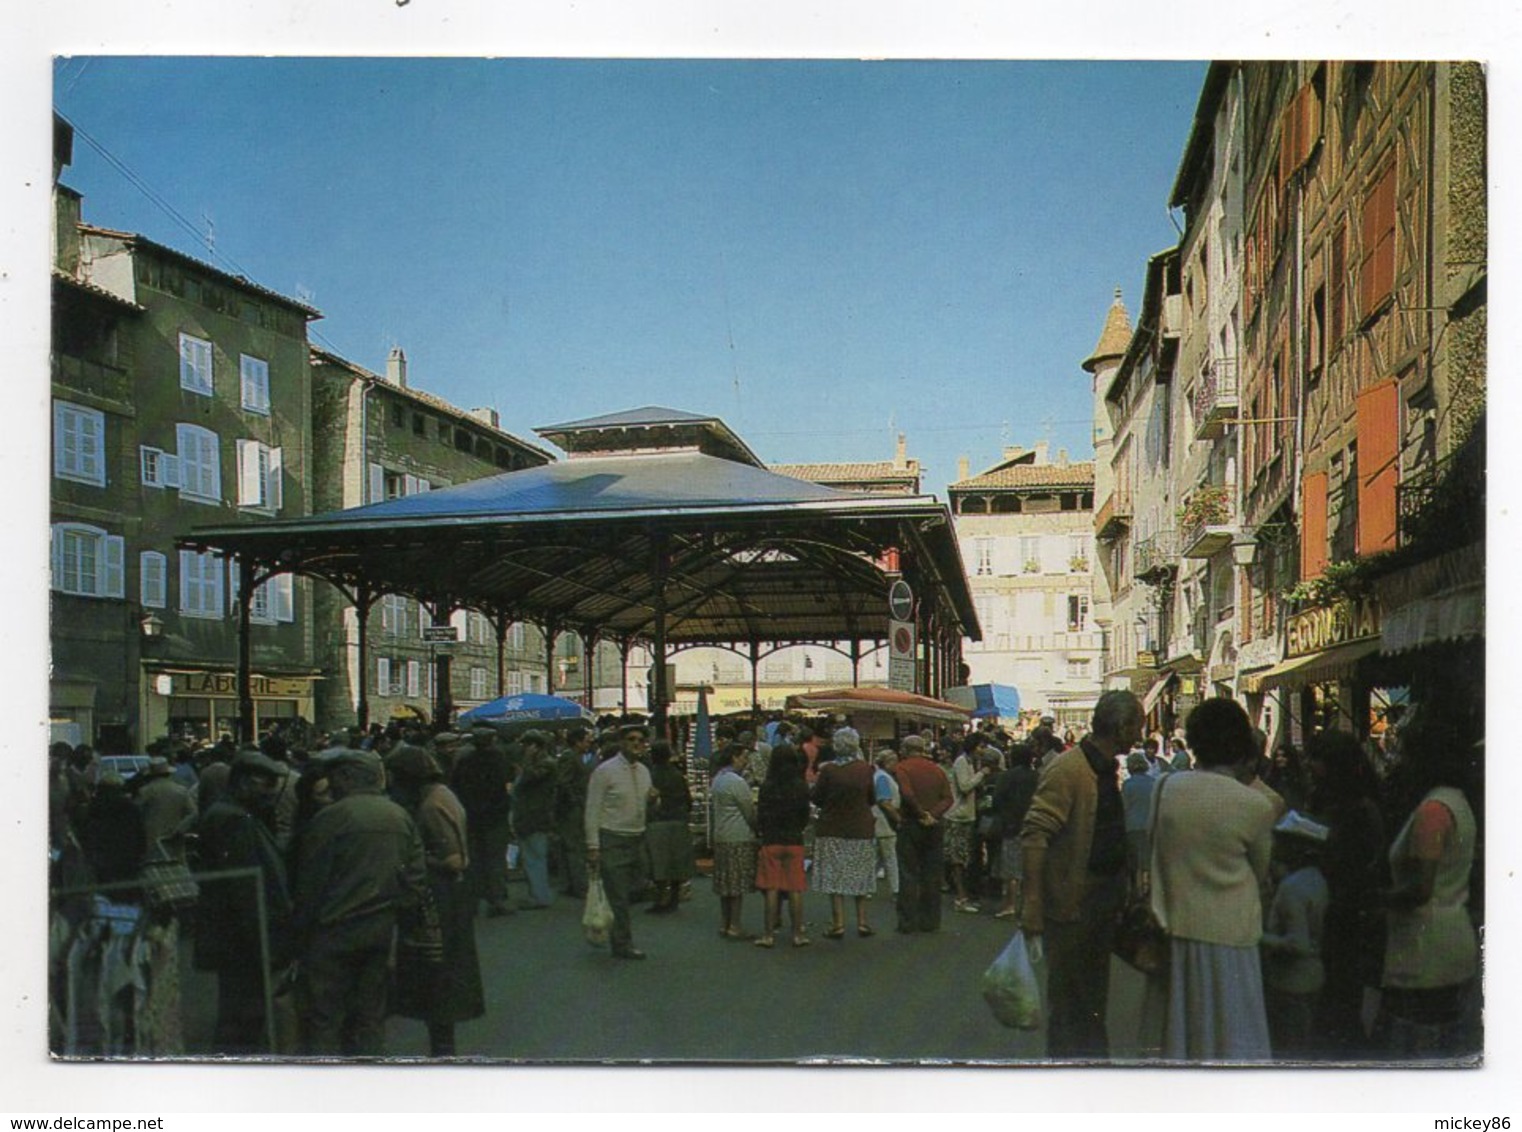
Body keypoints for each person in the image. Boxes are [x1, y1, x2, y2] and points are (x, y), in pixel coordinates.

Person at [1145, 697, 1276, 1061]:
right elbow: (1261, 871)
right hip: (1234, 937)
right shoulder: (1255, 805)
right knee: (1234, 1037)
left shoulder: (1165, 789)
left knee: (1182, 1038)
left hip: (1177, 930)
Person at [1019, 689, 1142, 1060]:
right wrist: (1033, 903)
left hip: (1101, 901)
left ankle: (1089, 1067)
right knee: (1073, 1001)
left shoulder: (1102, 768)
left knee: (1089, 997)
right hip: (1075, 904)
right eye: (1136, 724)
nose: (1140, 734)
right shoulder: (1070, 769)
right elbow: (1036, 834)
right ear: (1120, 727)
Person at [291, 749, 427, 1056]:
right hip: (379, 929)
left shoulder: (330, 818)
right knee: (370, 1014)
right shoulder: (398, 815)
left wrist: (300, 930)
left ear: (346, 778)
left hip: (333, 930)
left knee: (325, 1016)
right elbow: (415, 878)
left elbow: (311, 882)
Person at [1379, 716, 1480, 1059]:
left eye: (1406, 753)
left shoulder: (1432, 810)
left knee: (1419, 1054)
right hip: (1448, 940)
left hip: (1426, 950)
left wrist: (1377, 900)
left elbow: (1421, 887)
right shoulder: (1457, 802)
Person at [385, 744, 484, 1057]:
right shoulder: (442, 794)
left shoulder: (430, 804)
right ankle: (442, 1040)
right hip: (452, 895)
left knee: (438, 971)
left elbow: (454, 860)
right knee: (443, 971)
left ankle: (443, 1044)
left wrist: (417, 859)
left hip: (442, 896)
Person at [193, 751, 293, 1055]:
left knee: (242, 1009)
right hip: (242, 938)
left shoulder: (234, 814)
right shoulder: (233, 819)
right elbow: (243, 888)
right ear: (245, 782)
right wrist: (263, 937)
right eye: (266, 784)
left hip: (239, 935)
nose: (271, 793)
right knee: (242, 1013)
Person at [1304, 728, 1387, 1058]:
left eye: (1317, 759)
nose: (1310, 765)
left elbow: (1358, 860)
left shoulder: (1358, 809)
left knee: (1341, 994)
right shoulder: (1333, 800)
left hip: (1347, 912)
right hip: (1333, 908)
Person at [585, 724, 656, 960]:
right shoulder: (605, 771)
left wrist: (654, 801)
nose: (637, 744)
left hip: (637, 836)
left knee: (637, 888)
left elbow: (647, 806)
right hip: (612, 837)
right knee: (618, 895)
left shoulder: (644, 771)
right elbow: (592, 810)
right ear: (621, 743)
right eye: (631, 739)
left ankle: (617, 932)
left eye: (641, 740)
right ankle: (622, 943)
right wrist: (593, 846)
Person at [1260, 820, 1329, 1059]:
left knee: (1288, 1052)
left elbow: (1296, 943)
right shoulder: (1316, 878)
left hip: (1290, 982)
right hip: (1312, 977)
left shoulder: (1292, 887)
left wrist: (1258, 937)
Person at [809, 727, 877, 940]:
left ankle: (838, 923)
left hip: (832, 827)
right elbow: (871, 798)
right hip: (860, 827)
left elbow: (817, 798)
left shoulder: (829, 771)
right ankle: (862, 921)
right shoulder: (866, 769)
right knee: (861, 876)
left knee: (835, 876)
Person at [450, 725, 515, 917]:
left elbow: (455, 786)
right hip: (495, 817)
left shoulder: (465, 762)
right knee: (495, 859)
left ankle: (472, 900)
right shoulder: (499, 760)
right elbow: (507, 784)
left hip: (471, 816)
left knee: (474, 859)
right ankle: (497, 900)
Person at [892, 733, 953, 933]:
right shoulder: (937, 770)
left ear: (905, 749)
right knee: (932, 873)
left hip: (911, 823)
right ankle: (930, 920)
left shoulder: (902, 768)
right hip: (935, 825)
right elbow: (948, 798)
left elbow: (907, 793)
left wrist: (920, 813)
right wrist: (933, 814)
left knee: (908, 873)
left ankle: (908, 921)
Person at [753, 744, 812, 948]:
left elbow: (760, 814)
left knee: (771, 887)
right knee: (795, 887)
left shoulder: (767, 786)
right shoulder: (800, 785)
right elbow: (805, 814)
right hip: (794, 839)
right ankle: (797, 933)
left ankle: (768, 935)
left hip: (772, 839)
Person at [709, 744, 759, 939]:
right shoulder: (736, 782)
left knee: (725, 884)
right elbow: (748, 810)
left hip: (721, 834)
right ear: (734, 757)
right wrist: (756, 830)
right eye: (743, 757)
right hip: (738, 835)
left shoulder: (718, 779)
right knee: (737, 884)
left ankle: (725, 922)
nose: (745, 761)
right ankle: (735, 925)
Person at [643, 739, 695, 914]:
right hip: (678, 820)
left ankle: (660, 899)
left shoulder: (649, 775)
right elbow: (688, 800)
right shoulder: (677, 774)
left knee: (659, 864)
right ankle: (673, 899)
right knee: (676, 863)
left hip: (657, 822)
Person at [988, 741, 1038, 919]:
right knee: (1028, 867)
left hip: (1010, 824)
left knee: (1010, 868)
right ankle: (1025, 904)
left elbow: (997, 800)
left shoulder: (1006, 776)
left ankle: (1010, 904)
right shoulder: (1036, 776)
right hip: (1032, 824)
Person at [511, 730, 558, 910]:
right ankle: (538, 894)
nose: (523, 749)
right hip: (530, 815)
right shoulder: (544, 763)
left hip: (535, 815)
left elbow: (528, 779)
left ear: (535, 746)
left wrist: (526, 762)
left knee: (535, 857)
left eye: (526, 745)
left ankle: (539, 896)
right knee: (532, 856)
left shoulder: (545, 764)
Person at [946, 735, 990, 913]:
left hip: (968, 814)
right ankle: (960, 898)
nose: (983, 750)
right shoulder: (961, 762)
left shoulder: (971, 762)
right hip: (959, 816)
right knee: (958, 858)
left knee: (965, 858)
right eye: (981, 746)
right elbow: (964, 786)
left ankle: (964, 896)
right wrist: (982, 774)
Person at [553, 725, 595, 898]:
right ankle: (578, 885)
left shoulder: (576, 756)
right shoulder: (569, 757)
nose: (589, 743)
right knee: (574, 847)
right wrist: (575, 799)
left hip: (575, 805)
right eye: (586, 740)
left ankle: (571, 883)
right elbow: (564, 781)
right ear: (577, 742)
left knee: (572, 846)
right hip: (572, 809)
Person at [1121, 750, 1158, 889]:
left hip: (1132, 826)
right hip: (1151, 825)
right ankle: (1150, 890)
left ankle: (1137, 892)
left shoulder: (1127, 785)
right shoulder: (1154, 783)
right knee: (1149, 861)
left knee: (1135, 863)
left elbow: (1124, 806)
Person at [871, 748, 902, 899]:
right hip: (885, 822)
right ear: (888, 762)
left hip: (878, 821)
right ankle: (896, 889)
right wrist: (898, 818)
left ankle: (866, 887)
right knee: (890, 857)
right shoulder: (883, 778)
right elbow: (885, 802)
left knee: (877, 857)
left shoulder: (879, 776)